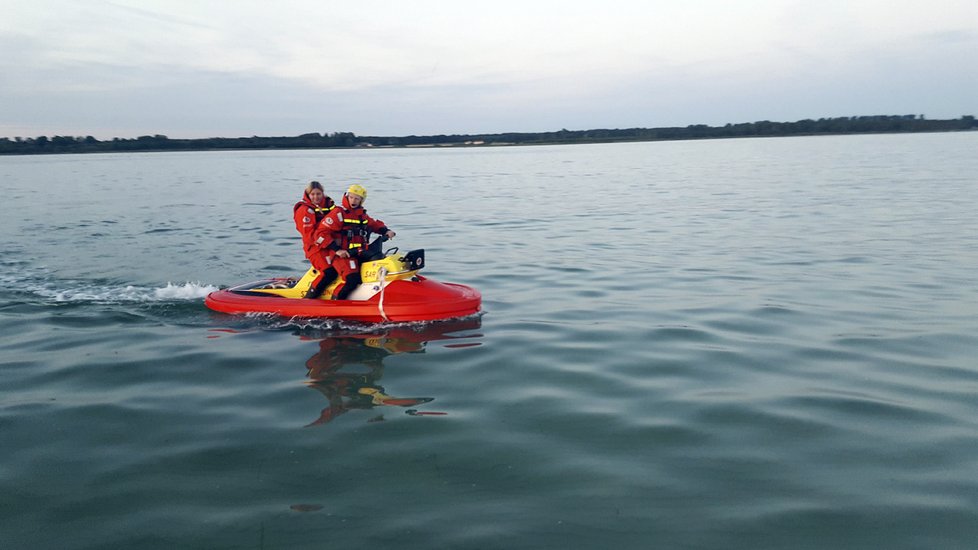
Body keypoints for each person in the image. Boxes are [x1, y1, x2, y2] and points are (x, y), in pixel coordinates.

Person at [330, 184, 396, 300]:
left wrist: (386, 231)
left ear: (361, 200)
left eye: (357, 198)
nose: (353, 200)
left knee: (377, 268)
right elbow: (321, 233)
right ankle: (335, 302)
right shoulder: (338, 213)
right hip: (342, 255)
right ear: (347, 197)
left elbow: (373, 224)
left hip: (358, 253)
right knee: (353, 279)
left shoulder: (362, 215)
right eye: (351, 197)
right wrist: (337, 250)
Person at [293, 181, 338, 299]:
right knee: (329, 272)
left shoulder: (329, 206)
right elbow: (309, 235)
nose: (316, 197)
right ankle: (309, 298)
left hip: (329, 245)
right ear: (308, 195)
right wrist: (330, 243)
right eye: (313, 194)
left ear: (322, 194)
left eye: (318, 194)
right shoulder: (304, 210)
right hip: (315, 248)